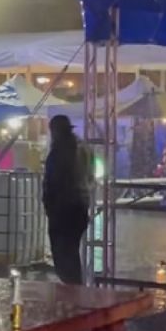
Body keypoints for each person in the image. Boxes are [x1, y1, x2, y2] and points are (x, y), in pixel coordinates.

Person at [43, 115, 93, 285]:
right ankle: (76, 290)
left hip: (63, 211)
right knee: (71, 253)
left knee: (63, 257)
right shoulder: (83, 148)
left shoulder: (60, 152)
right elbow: (91, 176)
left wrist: (50, 207)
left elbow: (54, 183)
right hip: (80, 208)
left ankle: (73, 293)